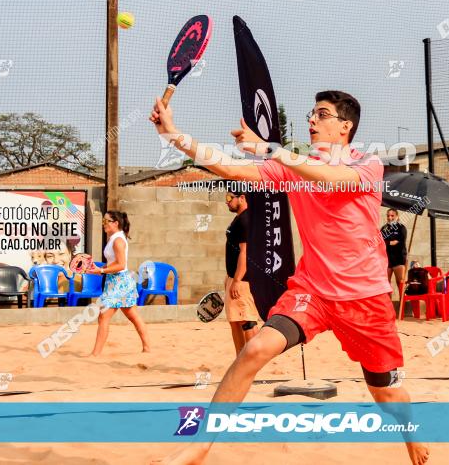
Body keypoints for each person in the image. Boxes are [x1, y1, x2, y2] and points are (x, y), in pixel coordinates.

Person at [150, 90, 429, 465]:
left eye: (323, 114)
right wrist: (174, 134)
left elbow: (332, 180)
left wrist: (271, 150)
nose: (312, 120)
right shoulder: (295, 167)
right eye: (312, 114)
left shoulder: (367, 166)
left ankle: (410, 435)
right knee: (255, 350)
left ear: (345, 127)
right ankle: (200, 445)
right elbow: (230, 167)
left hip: (366, 299)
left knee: (387, 397)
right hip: (313, 293)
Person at [88, 211, 151, 356]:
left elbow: (121, 265)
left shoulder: (118, 241)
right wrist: (100, 269)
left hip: (120, 281)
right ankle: (147, 348)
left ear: (115, 223)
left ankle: (95, 354)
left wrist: (102, 271)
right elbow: (113, 262)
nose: (103, 224)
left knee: (104, 316)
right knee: (132, 315)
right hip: (114, 281)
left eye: (106, 221)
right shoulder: (114, 238)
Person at [224, 184, 261, 354]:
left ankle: (253, 359)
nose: (227, 202)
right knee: (235, 320)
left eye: (230, 198)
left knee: (247, 320)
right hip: (234, 277)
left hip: (242, 280)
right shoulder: (240, 218)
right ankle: (241, 359)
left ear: (242, 197)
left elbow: (245, 252)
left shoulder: (246, 220)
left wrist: (237, 280)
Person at [382, 208, 408, 298]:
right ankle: (388, 307)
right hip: (387, 259)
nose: (390, 217)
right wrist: (389, 242)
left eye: (392, 215)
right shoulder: (384, 228)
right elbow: (381, 242)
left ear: (397, 216)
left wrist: (388, 242)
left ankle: (402, 306)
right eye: (388, 215)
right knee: (386, 284)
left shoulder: (401, 228)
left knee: (400, 282)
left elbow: (398, 243)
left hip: (399, 259)